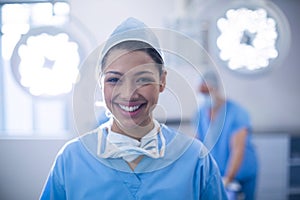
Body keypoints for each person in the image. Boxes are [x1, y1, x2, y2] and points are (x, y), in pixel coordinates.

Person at [40, 18, 228, 200]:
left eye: (143, 79)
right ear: (100, 82)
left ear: (162, 80)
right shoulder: (71, 159)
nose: (128, 94)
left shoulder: (195, 160)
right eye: (114, 80)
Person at [193, 71, 258, 200]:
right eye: (201, 92)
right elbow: (197, 146)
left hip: (241, 172)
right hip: (217, 173)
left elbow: (238, 150)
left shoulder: (237, 112)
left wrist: (228, 179)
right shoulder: (199, 113)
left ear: (216, 89)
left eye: (207, 91)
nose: (204, 96)